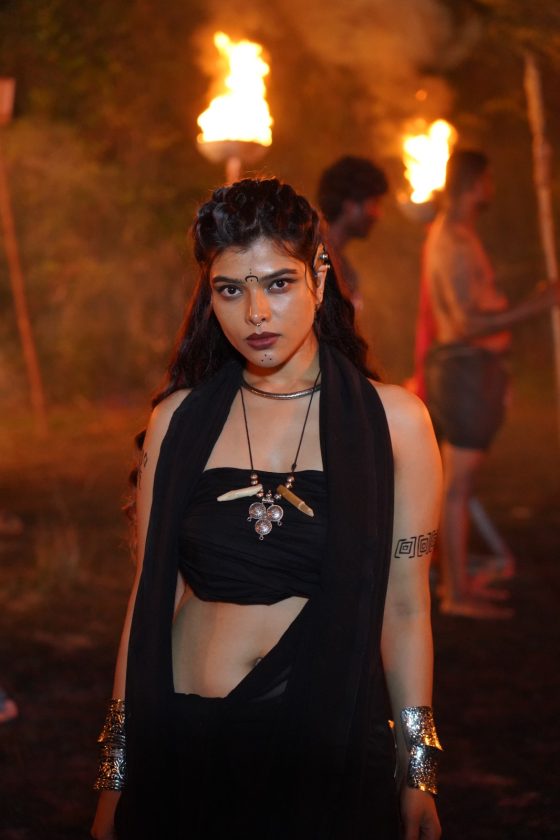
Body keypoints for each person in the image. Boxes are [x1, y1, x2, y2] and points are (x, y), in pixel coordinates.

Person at [91, 178, 442, 840]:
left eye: (277, 283)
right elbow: (150, 598)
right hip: (186, 743)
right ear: (210, 294)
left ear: (318, 276)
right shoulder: (179, 420)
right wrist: (115, 771)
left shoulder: (395, 422)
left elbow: (406, 608)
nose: (255, 313)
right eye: (231, 289)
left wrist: (417, 769)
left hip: (320, 746)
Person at [416, 149, 559, 618]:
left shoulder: (458, 236)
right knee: (457, 487)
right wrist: (539, 306)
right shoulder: (452, 242)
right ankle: (456, 593)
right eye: (489, 179)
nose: (492, 188)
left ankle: (457, 585)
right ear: (476, 183)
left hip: (470, 371)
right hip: (463, 371)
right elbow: (467, 322)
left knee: (458, 485)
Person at [317, 155, 388, 310]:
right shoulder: (314, 258)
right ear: (350, 205)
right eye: (374, 203)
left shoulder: (345, 269)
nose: (378, 214)